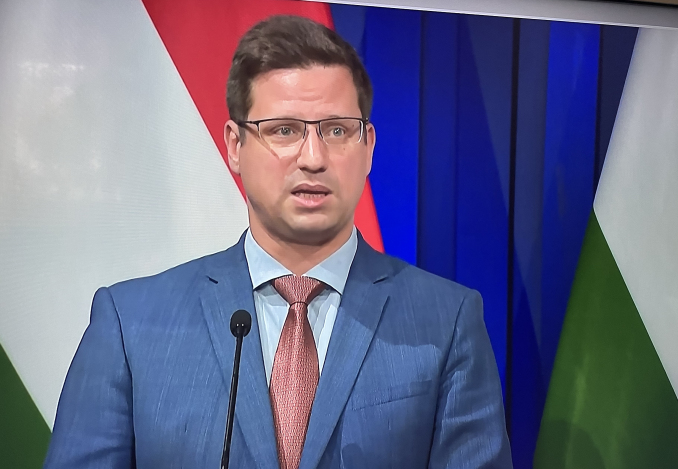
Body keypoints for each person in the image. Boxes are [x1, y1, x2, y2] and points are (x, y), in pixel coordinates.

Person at [44, 15, 513, 469]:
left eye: (336, 130)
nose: (313, 158)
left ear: (368, 146)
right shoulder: (130, 324)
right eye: (284, 130)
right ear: (235, 146)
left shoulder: (446, 322)